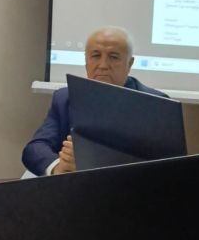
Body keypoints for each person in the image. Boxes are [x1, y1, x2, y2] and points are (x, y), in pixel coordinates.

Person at [22, 26, 168, 176]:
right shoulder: (64, 98)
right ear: (86, 61)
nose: (103, 65)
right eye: (96, 56)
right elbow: (35, 148)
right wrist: (59, 167)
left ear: (129, 64)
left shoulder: (156, 105)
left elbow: (167, 165)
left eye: (113, 57)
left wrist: (89, 162)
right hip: (77, 187)